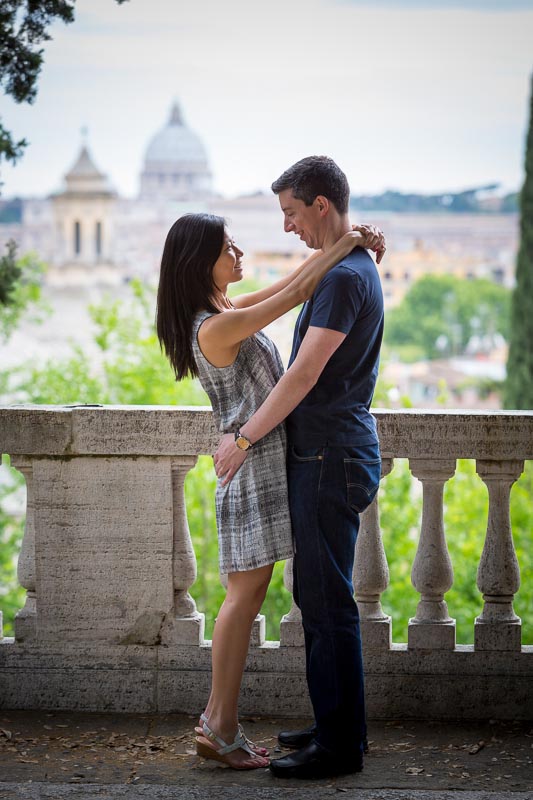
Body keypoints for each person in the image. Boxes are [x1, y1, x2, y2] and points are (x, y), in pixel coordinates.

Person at [156, 211, 384, 771]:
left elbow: (293, 280)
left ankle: (218, 721)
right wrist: (351, 240)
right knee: (243, 598)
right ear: (198, 261)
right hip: (250, 465)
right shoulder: (215, 327)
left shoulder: (222, 313)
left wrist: (351, 240)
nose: (239, 253)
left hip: (255, 462)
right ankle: (220, 724)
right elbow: (301, 290)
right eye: (226, 247)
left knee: (249, 596)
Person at [213, 155, 385, 779]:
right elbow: (291, 289)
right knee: (319, 598)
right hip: (333, 449)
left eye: (290, 212)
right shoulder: (347, 267)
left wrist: (243, 439)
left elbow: (304, 374)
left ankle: (339, 747)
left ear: (320, 204)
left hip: (329, 454)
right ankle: (337, 724)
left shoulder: (344, 279)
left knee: (328, 602)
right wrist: (353, 239)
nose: (286, 226)